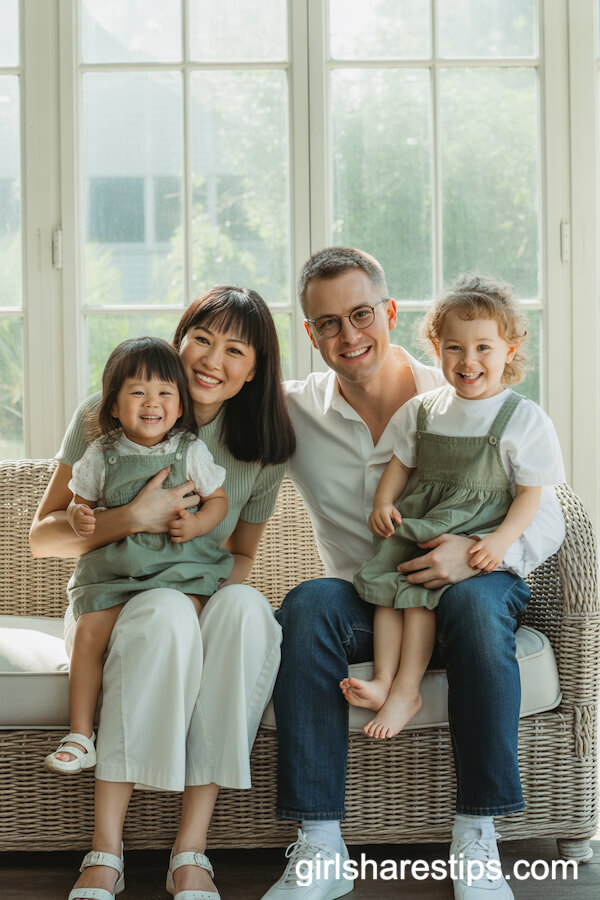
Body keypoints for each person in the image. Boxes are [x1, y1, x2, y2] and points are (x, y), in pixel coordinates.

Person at [263, 249, 565, 900]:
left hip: (468, 593)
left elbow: (549, 517)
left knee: (476, 609)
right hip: (369, 598)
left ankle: (477, 836)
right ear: (310, 333)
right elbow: (207, 407)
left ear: (391, 314)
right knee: (309, 603)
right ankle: (320, 848)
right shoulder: (293, 412)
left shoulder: (462, 387)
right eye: (327, 323)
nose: (348, 336)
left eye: (361, 314)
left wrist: (477, 550)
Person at [30, 287, 296, 900]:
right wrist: (135, 516)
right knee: (168, 613)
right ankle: (105, 847)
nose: (212, 359)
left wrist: (206, 596)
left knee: (250, 612)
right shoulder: (115, 410)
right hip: (111, 603)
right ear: (179, 342)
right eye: (201, 339)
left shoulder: (259, 443)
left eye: (235, 350)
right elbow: (44, 538)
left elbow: (243, 554)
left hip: (195, 595)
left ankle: (191, 850)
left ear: (255, 370)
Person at [343, 277, 564, 742]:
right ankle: (385, 678)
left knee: (421, 596)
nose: (468, 361)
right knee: (390, 589)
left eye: (484, 347)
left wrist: (500, 541)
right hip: (427, 525)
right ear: (435, 346)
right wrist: (384, 502)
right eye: (454, 347)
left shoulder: (522, 417)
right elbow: (401, 464)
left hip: (480, 536)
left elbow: (531, 495)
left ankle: (407, 689)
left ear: (511, 347)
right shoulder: (424, 410)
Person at [44, 336, 232, 775]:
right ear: (113, 406)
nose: (153, 403)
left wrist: (199, 524)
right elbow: (78, 502)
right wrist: (79, 518)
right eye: (138, 392)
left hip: (174, 572)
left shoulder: (190, 451)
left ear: (181, 406)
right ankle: (80, 734)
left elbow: (218, 500)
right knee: (90, 632)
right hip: (115, 574)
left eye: (165, 393)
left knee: (174, 621)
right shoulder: (100, 454)